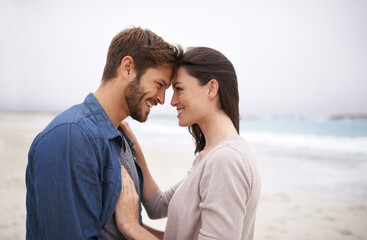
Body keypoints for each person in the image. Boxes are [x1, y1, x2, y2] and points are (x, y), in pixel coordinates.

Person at [25, 27, 181, 240]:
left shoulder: (119, 139)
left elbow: (122, 229)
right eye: (159, 85)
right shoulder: (72, 136)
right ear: (127, 68)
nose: (162, 99)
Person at [115, 47, 262, 240]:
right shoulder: (210, 155)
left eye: (179, 89)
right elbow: (158, 206)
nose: (172, 101)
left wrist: (131, 227)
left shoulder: (226, 161)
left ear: (211, 88)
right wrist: (138, 155)